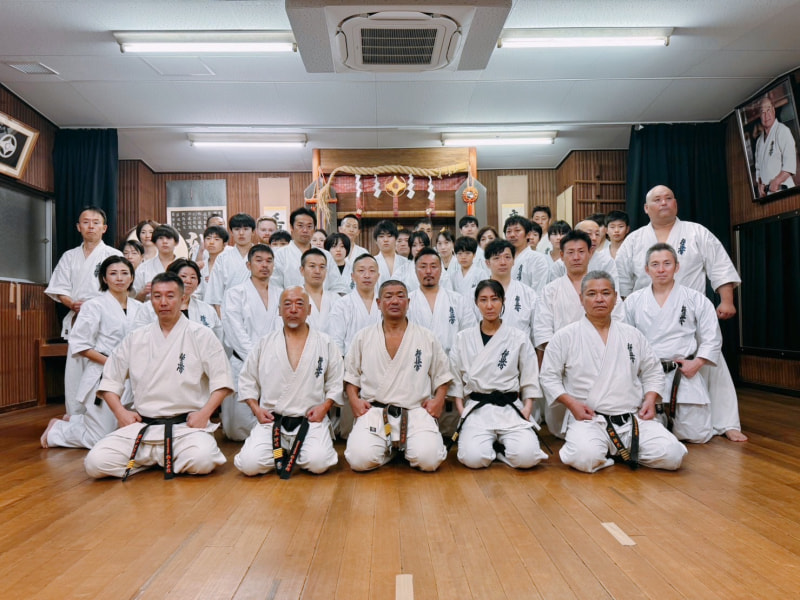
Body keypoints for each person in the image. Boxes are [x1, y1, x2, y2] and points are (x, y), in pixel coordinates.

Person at [616, 184, 747, 441]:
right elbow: (621, 281)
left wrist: (727, 300)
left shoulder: (697, 232)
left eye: (669, 198)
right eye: (657, 199)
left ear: (676, 204)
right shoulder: (633, 240)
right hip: (648, 316)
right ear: (646, 208)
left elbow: (719, 266)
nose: (664, 202)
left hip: (691, 312)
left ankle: (725, 422)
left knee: (713, 365)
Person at [84, 272, 233, 480]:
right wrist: (120, 413)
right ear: (150, 300)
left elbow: (222, 382)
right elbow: (110, 381)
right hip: (143, 427)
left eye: (170, 296)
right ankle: (164, 459)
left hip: (185, 429)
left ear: (182, 299)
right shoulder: (136, 338)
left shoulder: (201, 335)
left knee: (203, 459)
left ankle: (153, 459)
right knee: (95, 462)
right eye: (157, 296)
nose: (163, 302)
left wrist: (205, 414)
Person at [540, 271, 687, 473]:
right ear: (581, 299)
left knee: (673, 455)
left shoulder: (632, 335)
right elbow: (548, 377)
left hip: (632, 418)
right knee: (584, 457)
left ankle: (615, 450)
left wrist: (650, 399)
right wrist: (572, 404)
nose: (599, 299)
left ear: (616, 297)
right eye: (592, 294)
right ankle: (612, 450)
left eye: (605, 293)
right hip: (590, 420)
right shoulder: (565, 336)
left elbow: (652, 371)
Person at [233, 287, 343, 477]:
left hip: (310, 420)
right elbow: (247, 379)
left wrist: (325, 407)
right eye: (287, 304)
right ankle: (287, 452)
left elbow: (336, 380)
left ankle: (296, 451)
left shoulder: (325, 342)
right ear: (279, 310)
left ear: (309, 310)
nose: (293, 309)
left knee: (318, 462)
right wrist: (256, 409)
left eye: (299, 304)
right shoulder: (264, 343)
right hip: (272, 421)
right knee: (249, 465)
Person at [344, 280, 452, 472]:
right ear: (378, 303)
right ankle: (394, 450)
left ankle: (398, 448)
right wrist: (354, 400)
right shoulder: (363, 337)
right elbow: (351, 376)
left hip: (415, 411)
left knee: (429, 460)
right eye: (388, 296)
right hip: (376, 412)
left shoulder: (426, 336)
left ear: (408, 302)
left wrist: (438, 400)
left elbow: (442, 375)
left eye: (400, 296)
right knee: (359, 460)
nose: (395, 301)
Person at [41, 256, 143, 449]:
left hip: (133, 373)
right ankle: (58, 430)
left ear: (131, 277)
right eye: (113, 273)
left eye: (124, 273)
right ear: (104, 278)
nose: (119, 278)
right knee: (100, 439)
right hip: (103, 371)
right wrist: (111, 363)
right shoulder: (94, 305)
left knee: (125, 427)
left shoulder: (141, 308)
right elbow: (80, 345)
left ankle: (77, 421)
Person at [624, 244, 722, 444]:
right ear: (646, 269)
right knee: (647, 436)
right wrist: (634, 368)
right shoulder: (633, 301)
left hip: (683, 374)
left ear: (677, 267)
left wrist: (697, 363)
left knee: (697, 435)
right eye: (655, 264)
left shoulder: (696, 299)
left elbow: (712, 336)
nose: (661, 269)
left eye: (667, 264)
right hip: (647, 375)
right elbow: (625, 340)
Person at [448, 280, 548, 469]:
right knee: (473, 458)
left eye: (494, 299)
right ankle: (493, 447)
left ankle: (500, 450)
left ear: (503, 301)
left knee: (527, 457)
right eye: (483, 300)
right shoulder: (463, 338)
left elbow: (529, 376)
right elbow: (455, 378)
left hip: (510, 407)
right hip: (477, 408)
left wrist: (527, 408)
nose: (489, 305)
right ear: (476, 303)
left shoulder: (518, 337)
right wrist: (462, 410)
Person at [534, 230, 624, 437]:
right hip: (564, 364)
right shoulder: (551, 290)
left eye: (581, 251)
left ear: (590, 253)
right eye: (570, 252)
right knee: (563, 429)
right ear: (562, 256)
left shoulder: (604, 288)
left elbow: (618, 324)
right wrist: (565, 357)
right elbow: (543, 330)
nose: (576, 257)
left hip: (602, 360)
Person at [45, 206, 122, 416]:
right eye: (86, 222)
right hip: (79, 317)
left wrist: (97, 305)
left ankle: (105, 415)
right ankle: (75, 415)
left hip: (107, 319)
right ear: (78, 227)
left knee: (103, 366)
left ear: (104, 228)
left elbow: (121, 287)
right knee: (75, 369)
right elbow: (60, 288)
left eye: (96, 223)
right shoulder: (69, 256)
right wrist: (72, 304)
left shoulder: (114, 255)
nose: (91, 226)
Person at [407, 248, 477, 435]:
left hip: (451, 367)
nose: (428, 271)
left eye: (433, 266)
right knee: (421, 426)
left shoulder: (458, 300)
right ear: (415, 270)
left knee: (452, 426)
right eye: (423, 266)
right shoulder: (407, 301)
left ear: (441, 270)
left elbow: (470, 338)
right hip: (417, 369)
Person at [221, 244, 282, 441]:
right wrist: (257, 359)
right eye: (259, 260)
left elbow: (283, 329)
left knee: (272, 418)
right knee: (238, 429)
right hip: (244, 362)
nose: (264, 265)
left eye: (269, 261)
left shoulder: (280, 293)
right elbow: (235, 332)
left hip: (274, 362)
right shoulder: (234, 293)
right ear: (248, 265)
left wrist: (272, 359)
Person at [327, 254, 382, 438]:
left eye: (372, 271)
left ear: (378, 275)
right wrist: (343, 373)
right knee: (351, 428)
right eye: (361, 271)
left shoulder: (385, 303)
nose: (367, 275)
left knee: (379, 420)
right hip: (352, 369)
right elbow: (336, 342)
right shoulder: (342, 304)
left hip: (381, 366)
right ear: (352, 276)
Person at [133, 258, 223, 342]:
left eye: (193, 277)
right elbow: (138, 337)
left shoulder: (207, 309)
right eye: (183, 276)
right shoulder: (149, 308)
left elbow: (217, 339)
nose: (188, 281)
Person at [272, 207, 346, 294]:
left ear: (314, 229)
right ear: (292, 227)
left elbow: (338, 286)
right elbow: (275, 287)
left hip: (323, 302)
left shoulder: (325, 255)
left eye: (309, 226)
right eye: (300, 226)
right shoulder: (280, 255)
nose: (305, 230)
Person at [483, 239, 537, 345]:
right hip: (487, 350)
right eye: (496, 258)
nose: (503, 262)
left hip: (520, 351)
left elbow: (537, 330)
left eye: (507, 257)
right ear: (488, 263)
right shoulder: (476, 294)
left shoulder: (528, 293)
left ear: (513, 261)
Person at [204, 213, 256, 312]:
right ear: (231, 232)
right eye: (237, 229)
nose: (241, 233)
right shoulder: (222, 258)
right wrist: (221, 317)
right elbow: (215, 293)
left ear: (253, 231)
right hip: (228, 312)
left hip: (255, 310)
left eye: (246, 229)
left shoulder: (261, 256)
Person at [548, 219, 618, 285]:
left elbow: (613, 289)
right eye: (589, 234)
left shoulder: (607, 262)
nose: (594, 238)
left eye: (597, 234)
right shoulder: (559, 265)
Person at [755, 96, 797, 197]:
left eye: (768, 109)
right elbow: (758, 169)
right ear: (760, 115)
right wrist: (760, 184)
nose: (766, 115)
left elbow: (790, 163)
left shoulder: (783, 131)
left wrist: (777, 181)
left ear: (773, 110)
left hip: (784, 190)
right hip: (767, 195)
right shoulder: (759, 141)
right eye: (762, 112)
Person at [503, 215, 550, 292]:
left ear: (528, 234)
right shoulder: (502, 259)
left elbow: (538, 290)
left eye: (517, 230)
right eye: (508, 231)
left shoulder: (537, 259)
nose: (512, 235)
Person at [133, 224, 180, 301]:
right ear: (154, 242)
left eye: (169, 238)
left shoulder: (184, 267)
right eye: (160, 238)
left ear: (176, 242)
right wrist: (143, 292)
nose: (165, 242)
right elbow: (133, 300)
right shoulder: (144, 267)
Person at [301, 248, 341, 331]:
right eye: (312, 266)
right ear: (302, 270)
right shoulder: (294, 298)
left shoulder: (336, 299)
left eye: (322, 267)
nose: (317, 271)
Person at [373, 220, 417, 291]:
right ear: (376, 241)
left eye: (389, 236)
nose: (386, 240)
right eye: (381, 236)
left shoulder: (406, 262)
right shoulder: (372, 262)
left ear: (396, 239)